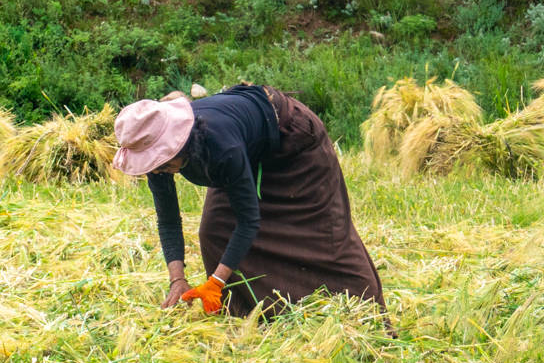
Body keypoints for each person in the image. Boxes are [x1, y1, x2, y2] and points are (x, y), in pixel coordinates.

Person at [114, 83, 384, 319]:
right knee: (215, 230)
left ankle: (364, 309)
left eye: (162, 162)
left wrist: (215, 281)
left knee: (326, 234)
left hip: (293, 143)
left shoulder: (220, 147)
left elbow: (248, 221)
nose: (158, 170)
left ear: (179, 143)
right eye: (152, 165)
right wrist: (178, 279)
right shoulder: (157, 159)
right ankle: (249, 313)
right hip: (248, 147)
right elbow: (168, 219)